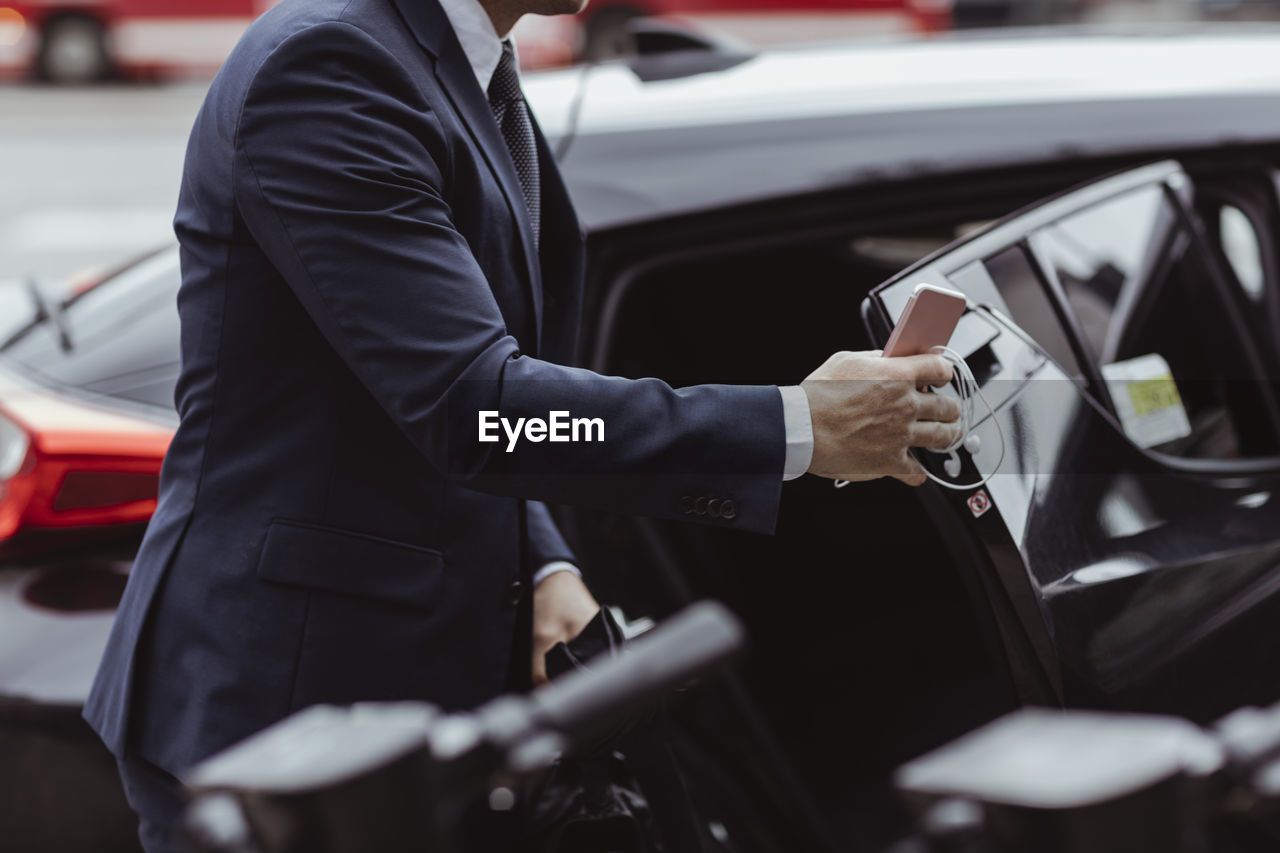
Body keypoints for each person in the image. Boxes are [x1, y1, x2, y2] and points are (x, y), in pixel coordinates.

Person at [83, 0, 961, 849]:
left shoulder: (465, 59)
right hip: (285, 722)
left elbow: (442, 391)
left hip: (410, 713)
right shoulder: (329, 68)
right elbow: (480, 410)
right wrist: (794, 426)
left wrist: (542, 560)